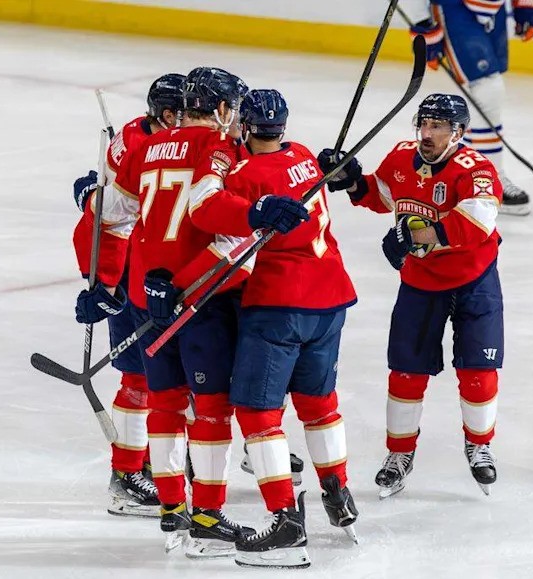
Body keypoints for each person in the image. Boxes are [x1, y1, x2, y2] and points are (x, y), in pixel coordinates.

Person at [76, 66, 308, 558]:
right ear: (223, 110)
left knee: (164, 402)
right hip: (198, 294)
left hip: (146, 294)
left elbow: (111, 211)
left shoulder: (144, 147)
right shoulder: (220, 150)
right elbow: (220, 222)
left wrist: (87, 197)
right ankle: (205, 516)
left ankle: (170, 511)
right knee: (212, 408)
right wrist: (257, 213)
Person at [173, 88, 358, 568]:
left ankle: (286, 525)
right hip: (332, 297)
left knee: (256, 412)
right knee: (318, 404)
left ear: (249, 128)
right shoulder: (304, 159)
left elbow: (207, 213)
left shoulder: (247, 174)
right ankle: (337, 491)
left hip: (279, 304)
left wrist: (179, 287)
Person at [319, 93, 504, 499]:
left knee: (478, 371)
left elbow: (477, 221)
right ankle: (399, 455)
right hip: (421, 281)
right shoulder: (402, 158)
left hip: (473, 280)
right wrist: (349, 178)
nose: (427, 133)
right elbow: (382, 196)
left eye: (438, 127)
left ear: (458, 133)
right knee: (406, 372)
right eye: (424, 124)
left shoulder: (476, 170)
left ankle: (479, 445)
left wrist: (415, 234)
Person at [71, 73, 185, 518]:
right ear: (170, 114)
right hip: (136, 276)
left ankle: (163, 463)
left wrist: (89, 197)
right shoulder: (142, 148)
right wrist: (105, 284)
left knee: (173, 377)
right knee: (141, 379)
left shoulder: (143, 134)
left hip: (151, 271)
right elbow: (107, 223)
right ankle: (126, 474)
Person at [408, 0, 533, 215]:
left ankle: (463, 175)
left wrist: (527, 3)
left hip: (494, 8)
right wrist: (421, 20)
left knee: (481, 92)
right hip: (454, 8)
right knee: (486, 89)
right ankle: (490, 181)